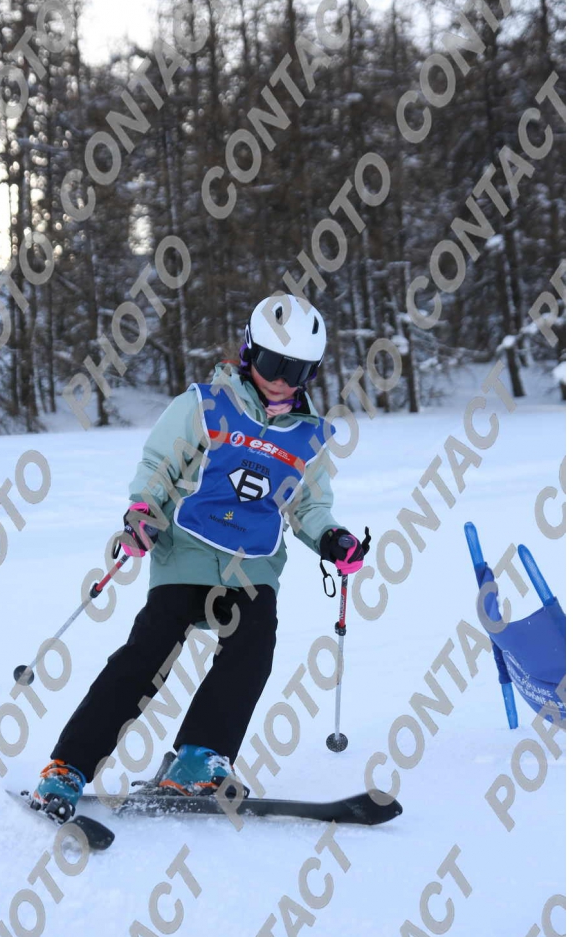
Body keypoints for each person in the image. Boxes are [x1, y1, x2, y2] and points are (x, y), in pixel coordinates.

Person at [32, 294, 369, 819]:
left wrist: (332, 539)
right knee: (150, 652)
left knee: (253, 646)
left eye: (298, 371)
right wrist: (142, 511)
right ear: (250, 351)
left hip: (254, 562)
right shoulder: (205, 404)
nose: (282, 380)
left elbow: (309, 506)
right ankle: (68, 766)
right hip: (186, 548)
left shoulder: (309, 436)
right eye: (274, 364)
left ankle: (199, 758)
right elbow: (158, 466)